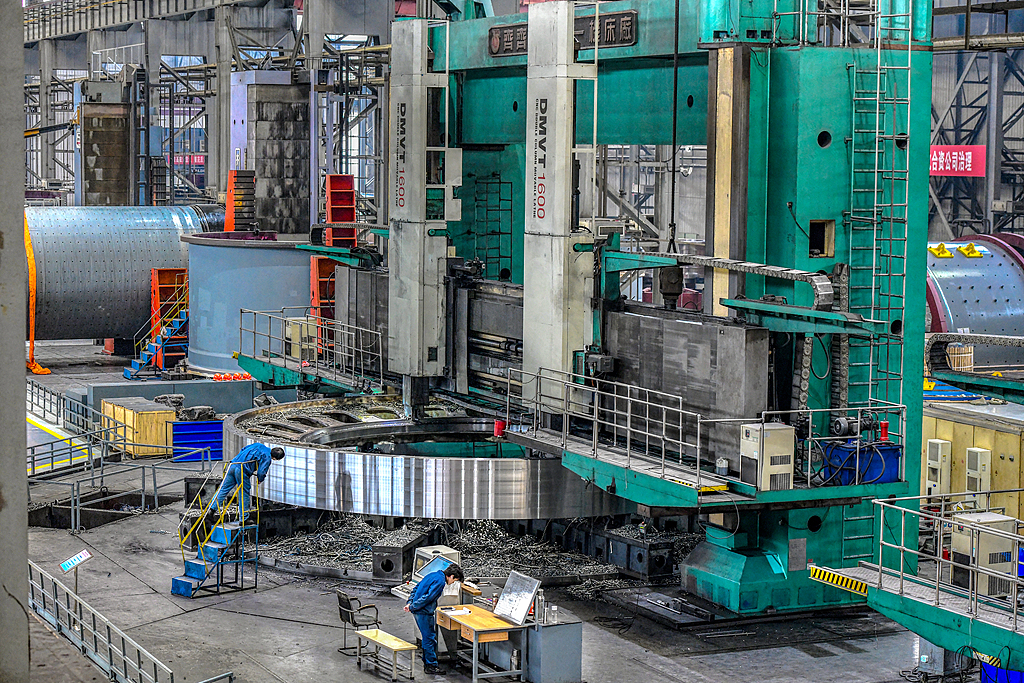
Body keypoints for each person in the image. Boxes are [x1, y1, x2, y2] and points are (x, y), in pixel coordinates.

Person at [404, 564, 465, 675]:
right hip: (423, 612)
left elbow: (417, 587)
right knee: (429, 639)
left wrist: (410, 602)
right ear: (451, 576)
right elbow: (428, 598)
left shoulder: (432, 574)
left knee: (428, 637)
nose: (453, 583)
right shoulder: (440, 582)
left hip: (418, 609)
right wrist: (413, 606)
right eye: (455, 580)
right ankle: (430, 666)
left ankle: (428, 662)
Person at [213, 444, 284, 522]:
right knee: (244, 493)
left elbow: (243, 449)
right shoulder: (267, 457)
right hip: (242, 470)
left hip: (233, 465)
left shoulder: (258, 445)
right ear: (275, 458)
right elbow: (261, 472)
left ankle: (211, 509)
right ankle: (244, 518)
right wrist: (260, 479)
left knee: (223, 489)